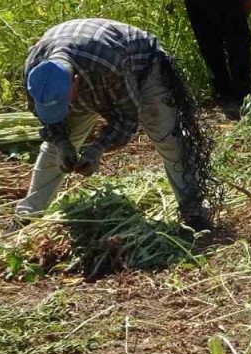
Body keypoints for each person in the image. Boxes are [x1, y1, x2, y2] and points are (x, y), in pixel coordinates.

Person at [16, 18, 216, 232]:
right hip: (91, 70)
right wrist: (63, 143)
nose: (67, 110)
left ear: (75, 83)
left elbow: (127, 117)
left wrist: (97, 149)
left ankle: (194, 211)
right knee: (54, 149)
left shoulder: (107, 66)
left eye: (65, 104)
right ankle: (27, 215)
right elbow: (47, 118)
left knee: (167, 137)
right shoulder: (35, 72)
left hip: (142, 67)